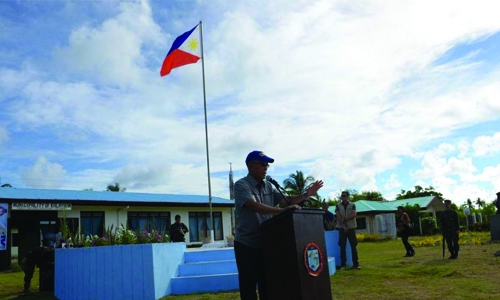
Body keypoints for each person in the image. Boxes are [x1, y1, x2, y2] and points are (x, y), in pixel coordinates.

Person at [234, 150, 324, 300]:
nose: (265, 168)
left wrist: (306, 194)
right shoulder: (241, 185)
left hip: (267, 244)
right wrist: (282, 211)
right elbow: (254, 206)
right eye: (262, 164)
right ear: (251, 166)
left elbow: (286, 200)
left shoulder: (268, 186)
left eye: (267, 165)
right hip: (247, 244)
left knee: (267, 285)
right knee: (248, 287)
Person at [335, 191, 360, 270]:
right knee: (342, 246)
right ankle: (343, 264)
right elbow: (338, 217)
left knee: (354, 246)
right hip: (342, 228)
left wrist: (345, 220)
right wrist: (343, 226)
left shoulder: (352, 205)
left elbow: (354, 214)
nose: (343, 197)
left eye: (344, 196)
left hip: (351, 228)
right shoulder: (338, 205)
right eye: (342, 196)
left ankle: (356, 264)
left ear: (348, 196)